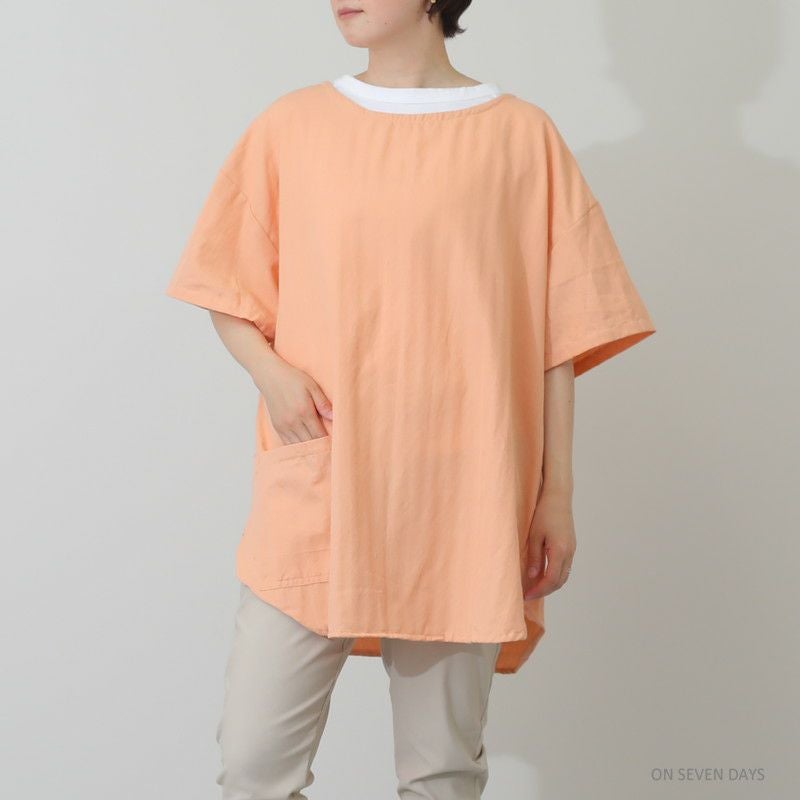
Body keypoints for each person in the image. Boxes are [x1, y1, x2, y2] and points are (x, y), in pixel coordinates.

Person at [165, 1, 656, 797]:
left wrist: (555, 495)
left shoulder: (520, 136)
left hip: (464, 493)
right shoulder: (293, 125)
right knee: (254, 764)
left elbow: (557, 336)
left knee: (440, 770)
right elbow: (226, 280)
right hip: (324, 478)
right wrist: (270, 373)